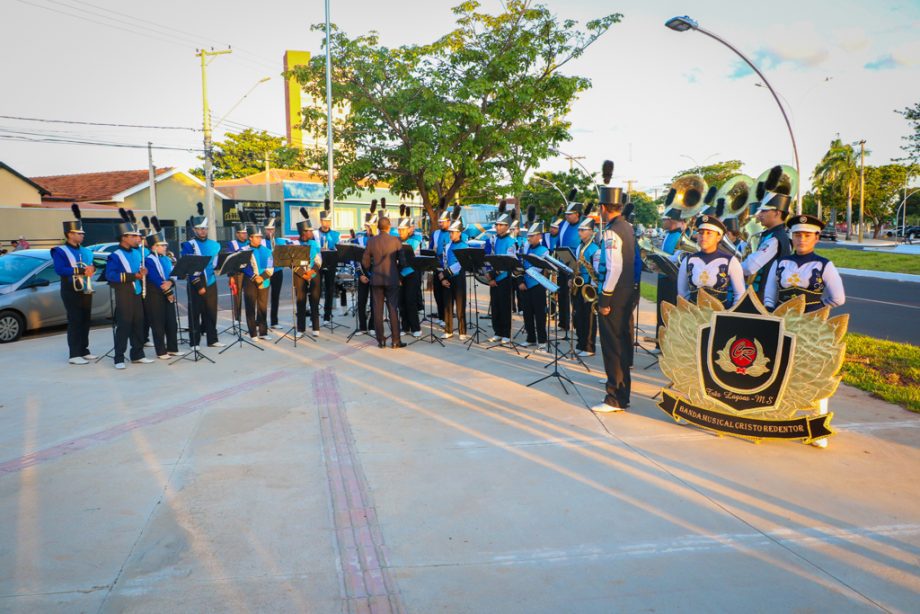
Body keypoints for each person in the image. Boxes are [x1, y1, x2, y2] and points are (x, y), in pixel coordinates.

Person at [765, 214, 846, 448]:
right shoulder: (780, 263)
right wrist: (772, 317)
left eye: (807, 235)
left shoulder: (823, 264)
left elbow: (839, 298)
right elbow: (770, 295)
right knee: (781, 372)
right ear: (792, 236)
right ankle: (781, 418)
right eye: (798, 234)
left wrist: (818, 311)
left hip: (812, 328)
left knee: (816, 373)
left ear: (816, 238)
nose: (801, 239)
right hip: (783, 325)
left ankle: (818, 429)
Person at [592, 186, 636, 413]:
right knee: (621, 345)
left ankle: (615, 398)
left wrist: (605, 300)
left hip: (614, 295)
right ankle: (621, 394)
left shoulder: (611, 231)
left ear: (602, 208)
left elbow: (614, 267)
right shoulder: (627, 227)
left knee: (613, 347)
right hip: (627, 293)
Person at [51, 204, 96, 364]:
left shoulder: (86, 251)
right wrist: (81, 271)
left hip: (86, 288)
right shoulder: (60, 251)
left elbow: (93, 264)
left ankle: (84, 350)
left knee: (85, 320)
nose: (82, 235)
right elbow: (60, 269)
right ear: (69, 234)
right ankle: (74, 354)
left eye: (82, 233)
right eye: (79, 233)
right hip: (70, 289)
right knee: (75, 320)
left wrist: (92, 268)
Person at [105, 221, 152, 369]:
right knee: (124, 325)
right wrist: (134, 276)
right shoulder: (115, 255)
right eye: (133, 236)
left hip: (137, 292)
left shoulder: (137, 253)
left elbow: (138, 271)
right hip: (124, 292)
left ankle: (137, 354)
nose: (136, 239)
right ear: (124, 237)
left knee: (138, 323)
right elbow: (110, 275)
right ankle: (119, 358)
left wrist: (142, 273)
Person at [677, 215, 745, 308]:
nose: (703, 237)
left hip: (720, 318)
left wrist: (730, 317)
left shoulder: (731, 261)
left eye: (709, 233)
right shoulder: (688, 260)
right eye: (701, 233)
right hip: (694, 317)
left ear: (718, 237)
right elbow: (682, 294)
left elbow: (740, 294)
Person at [179, 208, 223, 349]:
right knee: (195, 313)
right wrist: (199, 286)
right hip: (195, 282)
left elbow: (215, 265)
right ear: (194, 230)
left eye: (204, 228)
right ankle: (194, 342)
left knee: (211, 312)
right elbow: (188, 266)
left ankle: (212, 340)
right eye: (199, 229)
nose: (202, 231)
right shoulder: (188, 245)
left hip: (210, 281)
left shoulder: (215, 245)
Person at [362, 216, 406, 348]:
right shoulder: (395, 240)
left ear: (378, 227)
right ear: (389, 227)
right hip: (391, 278)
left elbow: (365, 261)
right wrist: (398, 275)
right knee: (393, 309)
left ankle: (381, 341)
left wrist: (371, 271)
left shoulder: (371, 241)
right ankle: (395, 341)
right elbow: (403, 262)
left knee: (377, 310)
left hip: (376, 279)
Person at [742, 192, 792, 302]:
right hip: (759, 294)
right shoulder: (770, 235)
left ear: (777, 213)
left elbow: (750, 267)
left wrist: (731, 266)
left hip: (765, 297)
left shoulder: (775, 238)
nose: (759, 215)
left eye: (764, 211)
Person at [144, 229, 185, 359]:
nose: (165, 247)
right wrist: (168, 291)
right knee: (158, 323)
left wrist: (171, 282)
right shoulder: (148, 260)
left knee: (172, 322)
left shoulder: (166, 259)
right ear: (153, 247)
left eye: (165, 245)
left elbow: (174, 273)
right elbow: (155, 278)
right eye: (162, 245)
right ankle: (161, 351)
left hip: (168, 292)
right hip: (155, 294)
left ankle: (172, 348)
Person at [487, 201, 516, 344]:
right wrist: (489, 275)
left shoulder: (511, 242)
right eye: (497, 225)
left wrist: (495, 276)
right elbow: (490, 258)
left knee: (505, 307)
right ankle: (497, 332)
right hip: (494, 278)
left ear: (507, 227)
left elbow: (507, 263)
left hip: (504, 278)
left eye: (500, 225)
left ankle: (506, 333)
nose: (497, 227)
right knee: (495, 306)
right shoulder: (493, 239)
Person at [518, 219, 550, 351]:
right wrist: (520, 280)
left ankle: (542, 339)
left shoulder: (544, 250)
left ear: (539, 236)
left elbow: (538, 269)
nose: (529, 238)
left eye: (532, 236)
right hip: (524, 284)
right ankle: (530, 338)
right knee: (527, 313)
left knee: (539, 314)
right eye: (528, 236)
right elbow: (519, 264)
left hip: (537, 285)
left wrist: (526, 278)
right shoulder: (526, 247)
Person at [572, 217, 602, 357]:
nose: (579, 232)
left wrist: (593, 286)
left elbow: (596, 270)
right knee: (578, 316)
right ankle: (580, 343)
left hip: (589, 285)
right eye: (579, 229)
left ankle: (589, 347)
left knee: (588, 317)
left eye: (582, 230)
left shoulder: (595, 249)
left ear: (591, 231)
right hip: (579, 284)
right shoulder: (579, 247)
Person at [655, 208, 685, 348]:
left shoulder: (681, 236)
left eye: (664, 219)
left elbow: (676, 258)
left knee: (670, 312)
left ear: (671, 220)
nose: (662, 222)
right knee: (660, 311)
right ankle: (659, 343)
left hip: (672, 279)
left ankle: (668, 345)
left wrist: (659, 257)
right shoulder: (668, 234)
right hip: (663, 277)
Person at [290, 213, 323, 339]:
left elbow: (318, 259)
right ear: (303, 232)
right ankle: (301, 328)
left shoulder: (314, 244)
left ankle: (316, 327)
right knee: (301, 301)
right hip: (300, 276)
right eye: (309, 231)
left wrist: (312, 271)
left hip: (313, 274)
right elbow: (291, 263)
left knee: (315, 300)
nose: (312, 233)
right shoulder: (295, 244)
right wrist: (303, 274)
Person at [438, 207, 469, 340]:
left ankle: (462, 331)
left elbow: (460, 264)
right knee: (447, 304)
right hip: (448, 278)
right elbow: (445, 261)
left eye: (453, 232)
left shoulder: (464, 246)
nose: (451, 234)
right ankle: (448, 329)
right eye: (450, 232)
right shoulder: (447, 245)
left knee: (460, 305)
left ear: (459, 233)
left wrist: (445, 273)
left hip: (459, 278)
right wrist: (443, 278)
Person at [555, 199, 583, 338]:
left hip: (576, 263)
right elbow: (559, 241)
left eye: (569, 214)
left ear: (577, 214)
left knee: (575, 295)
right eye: (566, 214)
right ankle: (563, 323)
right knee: (562, 294)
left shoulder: (583, 225)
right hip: (563, 260)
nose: (566, 216)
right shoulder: (564, 224)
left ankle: (578, 325)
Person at [241, 224, 274, 340]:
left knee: (262, 307)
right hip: (250, 281)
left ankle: (263, 332)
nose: (260, 239)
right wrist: (255, 277)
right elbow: (243, 266)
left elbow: (271, 266)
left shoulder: (267, 250)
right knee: (250, 307)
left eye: (260, 236)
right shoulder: (244, 250)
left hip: (264, 280)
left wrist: (262, 277)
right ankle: (253, 333)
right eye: (257, 237)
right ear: (250, 237)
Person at [353, 202, 379, 335]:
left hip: (376, 275)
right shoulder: (359, 239)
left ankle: (373, 326)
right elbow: (355, 259)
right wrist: (360, 274)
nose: (367, 228)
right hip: (363, 275)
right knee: (361, 301)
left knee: (375, 302)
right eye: (366, 226)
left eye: (370, 226)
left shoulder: (380, 239)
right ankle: (362, 327)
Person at [397, 206, 422, 338]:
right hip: (400, 275)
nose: (400, 232)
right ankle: (405, 326)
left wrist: (400, 275)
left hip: (412, 274)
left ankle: (415, 327)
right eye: (399, 230)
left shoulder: (415, 241)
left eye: (403, 230)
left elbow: (412, 262)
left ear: (409, 229)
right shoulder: (396, 240)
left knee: (410, 301)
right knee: (401, 302)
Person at [317, 198, 342, 322]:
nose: (326, 223)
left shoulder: (336, 234)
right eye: (324, 221)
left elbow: (339, 250)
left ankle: (327, 315)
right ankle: (314, 316)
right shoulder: (315, 234)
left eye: (328, 221)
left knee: (329, 289)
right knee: (316, 290)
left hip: (331, 264)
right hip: (318, 264)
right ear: (321, 221)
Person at [429, 199, 452, 326]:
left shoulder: (452, 233)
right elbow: (431, 247)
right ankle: (440, 314)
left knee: (445, 293)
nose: (440, 224)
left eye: (442, 222)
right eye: (439, 222)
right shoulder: (435, 233)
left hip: (448, 266)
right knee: (437, 292)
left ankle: (446, 317)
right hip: (436, 264)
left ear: (449, 222)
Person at [262, 213, 286, 330]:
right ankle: (261, 322)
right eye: (268, 230)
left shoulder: (280, 241)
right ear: (264, 230)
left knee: (275, 297)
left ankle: (274, 321)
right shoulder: (260, 242)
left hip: (277, 271)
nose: (270, 232)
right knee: (262, 298)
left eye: (272, 229)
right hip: (265, 272)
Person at [226, 222, 250, 326]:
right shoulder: (232, 244)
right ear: (237, 234)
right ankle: (237, 318)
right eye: (242, 233)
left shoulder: (250, 242)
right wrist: (231, 276)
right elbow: (229, 261)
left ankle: (251, 318)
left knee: (250, 296)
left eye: (245, 233)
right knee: (237, 296)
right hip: (237, 273)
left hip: (249, 273)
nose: (245, 235)